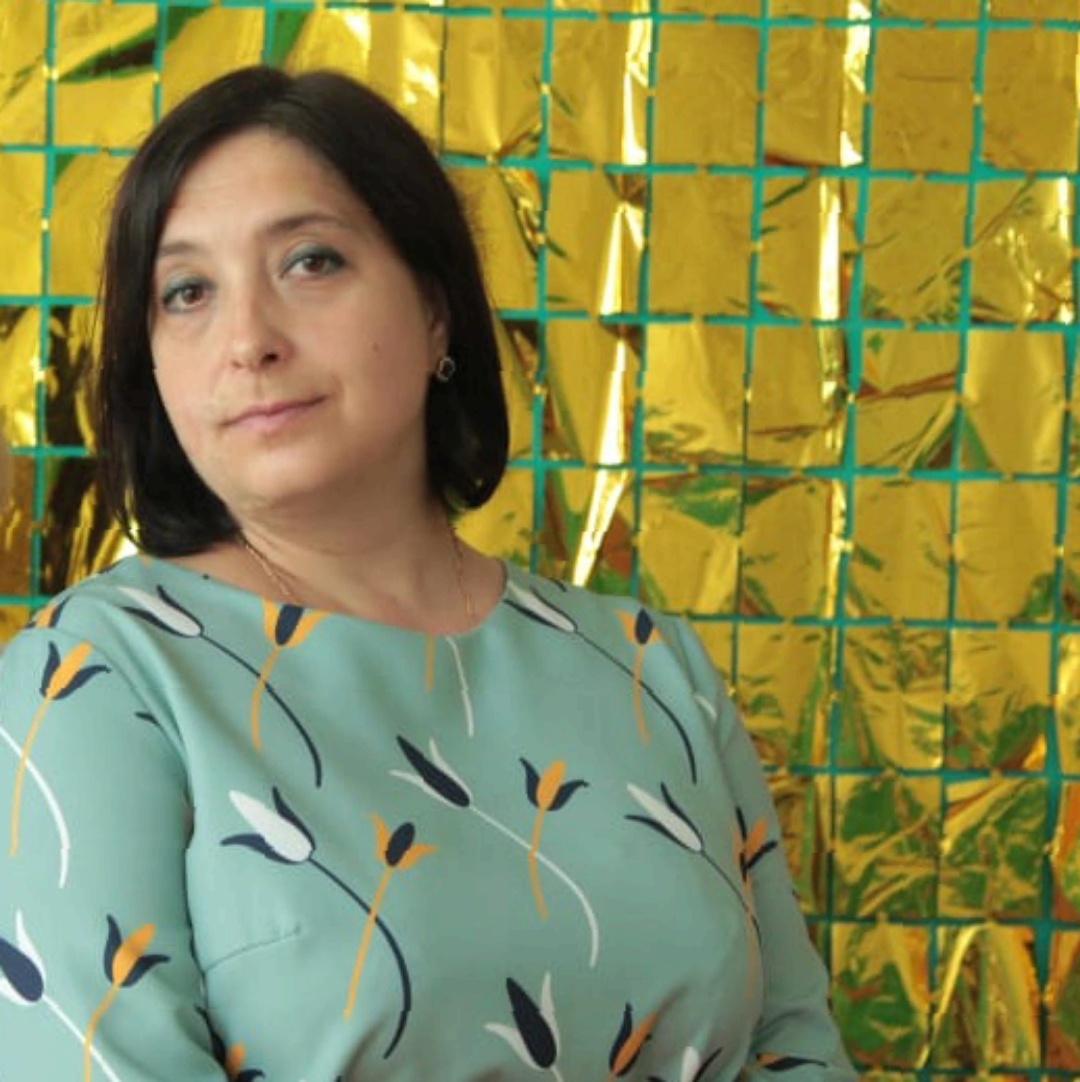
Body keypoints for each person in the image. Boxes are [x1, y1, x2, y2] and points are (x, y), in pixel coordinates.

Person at [0, 66, 855, 1081]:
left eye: (310, 261)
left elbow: (794, 1045)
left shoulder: (652, 671)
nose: (249, 340)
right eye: (186, 292)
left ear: (437, 312)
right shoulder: (92, 678)